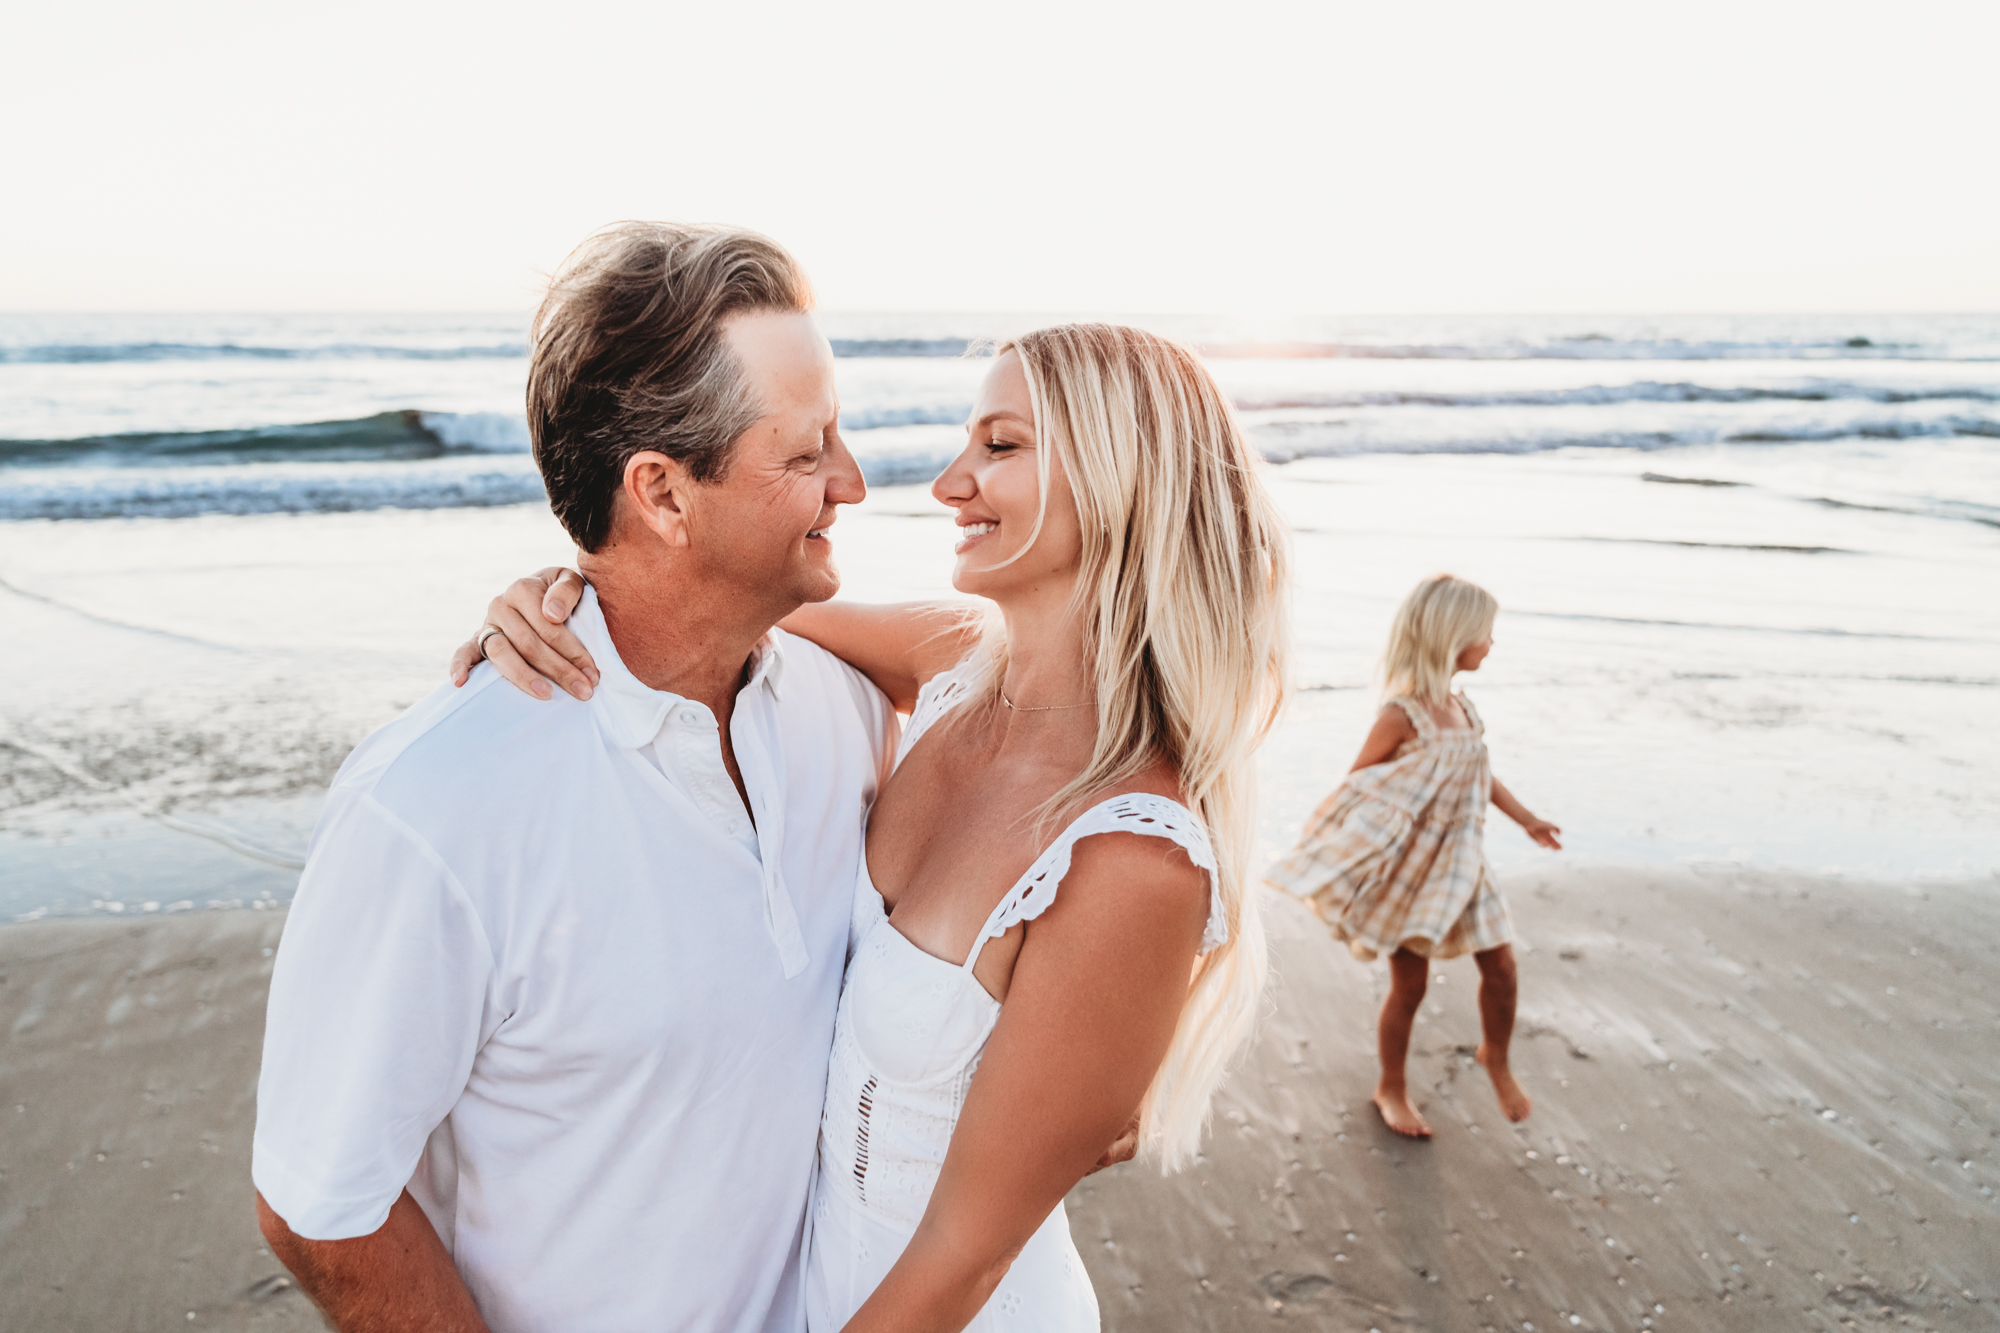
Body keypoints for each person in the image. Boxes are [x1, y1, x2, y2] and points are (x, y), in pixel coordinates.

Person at [461, 322, 1290, 1331]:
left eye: (1000, 445)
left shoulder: (1130, 855)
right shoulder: (951, 665)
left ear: (1121, 480)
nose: (949, 482)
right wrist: (555, 597)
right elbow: (704, 610)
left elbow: (962, 1256)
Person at [250, 222, 903, 1333]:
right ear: (660, 493)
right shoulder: (433, 805)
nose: (850, 479)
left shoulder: (846, 711)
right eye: (803, 452)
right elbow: (321, 1206)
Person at [1264, 574, 1560, 1139]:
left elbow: (1479, 770)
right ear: (1455, 637)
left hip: (1465, 863)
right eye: (1486, 633)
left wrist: (1527, 819)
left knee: (1501, 967)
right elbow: (1360, 782)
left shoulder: (1465, 710)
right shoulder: (1403, 714)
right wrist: (1363, 843)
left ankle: (1494, 1055)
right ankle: (1390, 1087)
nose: (1492, 644)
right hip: (1414, 869)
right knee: (1411, 985)